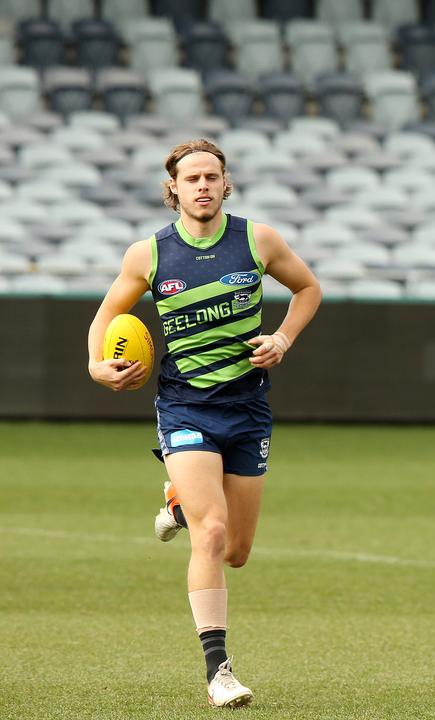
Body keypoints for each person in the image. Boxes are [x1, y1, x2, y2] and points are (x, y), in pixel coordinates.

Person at [87, 139, 321, 708]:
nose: (202, 186)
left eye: (211, 176)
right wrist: (98, 367)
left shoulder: (257, 240)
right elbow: (107, 316)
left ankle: (175, 505)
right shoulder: (148, 254)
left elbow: (309, 289)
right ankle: (219, 672)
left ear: (226, 182)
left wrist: (282, 338)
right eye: (191, 178)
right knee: (211, 531)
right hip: (186, 405)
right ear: (173, 188)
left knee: (236, 550)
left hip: (247, 408)